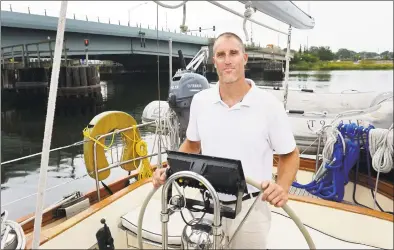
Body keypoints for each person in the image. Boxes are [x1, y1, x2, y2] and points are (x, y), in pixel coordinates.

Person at [152, 32, 299, 249]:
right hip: (209, 202)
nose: (227, 60)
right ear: (214, 62)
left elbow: (290, 155)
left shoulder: (269, 105)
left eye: (233, 53)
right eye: (221, 55)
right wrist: (169, 170)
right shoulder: (201, 101)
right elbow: (192, 145)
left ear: (244, 58)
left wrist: (282, 187)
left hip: (252, 208)